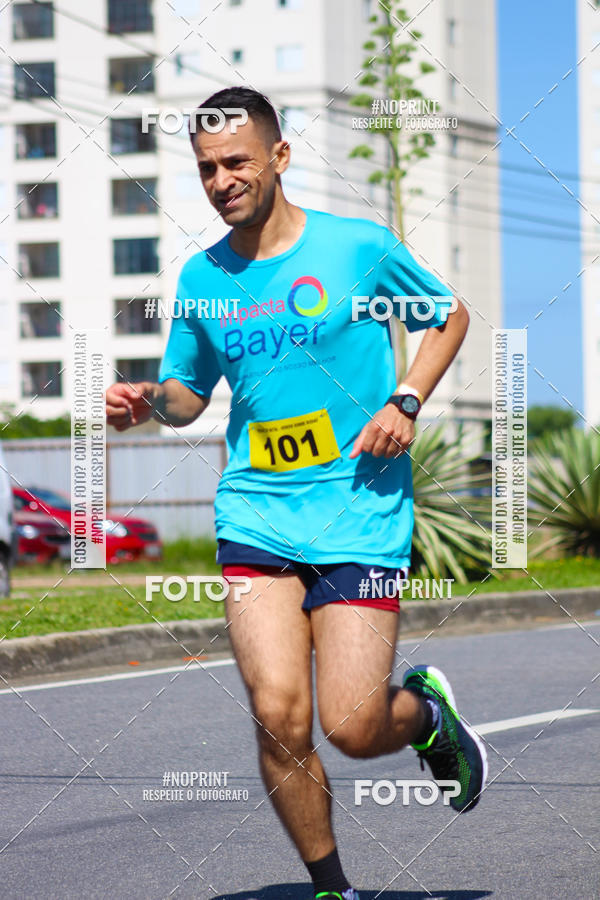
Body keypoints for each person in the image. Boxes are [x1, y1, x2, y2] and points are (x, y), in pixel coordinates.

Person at [106, 86, 487, 900]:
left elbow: (449, 316)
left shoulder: (356, 250)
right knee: (279, 713)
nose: (222, 180)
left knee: (351, 725)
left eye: (237, 161)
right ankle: (331, 889)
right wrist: (147, 403)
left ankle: (425, 717)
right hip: (255, 513)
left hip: (358, 510)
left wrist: (407, 400)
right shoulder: (202, 278)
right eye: (208, 168)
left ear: (279, 157)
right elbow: (187, 396)